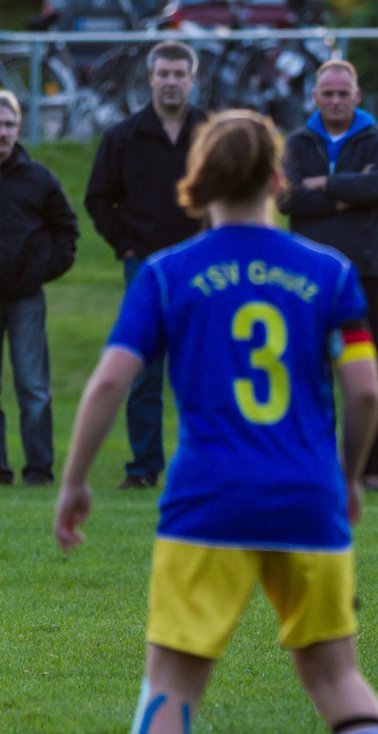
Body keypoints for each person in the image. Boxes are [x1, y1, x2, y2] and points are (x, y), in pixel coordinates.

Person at [53, 110, 378, 734]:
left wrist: (75, 482)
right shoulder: (330, 271)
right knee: (336, 677)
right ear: (278, 181)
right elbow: (367, 392)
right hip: (307, 500)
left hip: (205, 505)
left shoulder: (167, 272)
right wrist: (346, 479)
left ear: (198, 183)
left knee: (173, 687)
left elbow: (111, 381)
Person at [85, 40, 207, 489]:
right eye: (164, 74)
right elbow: (98, 198)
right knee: (144, 371)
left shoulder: (210, 134)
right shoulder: (123, 137)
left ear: (192, 80)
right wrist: (126, 246)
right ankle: (143, 467)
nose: (171, 81)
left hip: (205, 270)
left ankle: (204, 465)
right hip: (147, 270)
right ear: (150, 78)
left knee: (206, 367)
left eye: (180, 74)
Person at [277, 59, 378, 493]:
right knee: (308, 372)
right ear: (314, 97)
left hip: (364, 271)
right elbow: (288, 200)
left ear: (357, 95)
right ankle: (315, 465)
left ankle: (369, 471)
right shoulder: (296, 141)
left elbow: (376, 188)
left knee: (368, 372)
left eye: (342, 93)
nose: (335, 100)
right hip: (302, 277)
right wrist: (346, 192)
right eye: (327, 93)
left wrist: (320, 185)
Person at [0, 90, 78, 486]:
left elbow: (67, 231)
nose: (2, 132)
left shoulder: (39, 179)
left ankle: (38, 469)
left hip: (25, 296)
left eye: (9, 124)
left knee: (33, 385)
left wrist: (41, 269)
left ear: (19, 128)